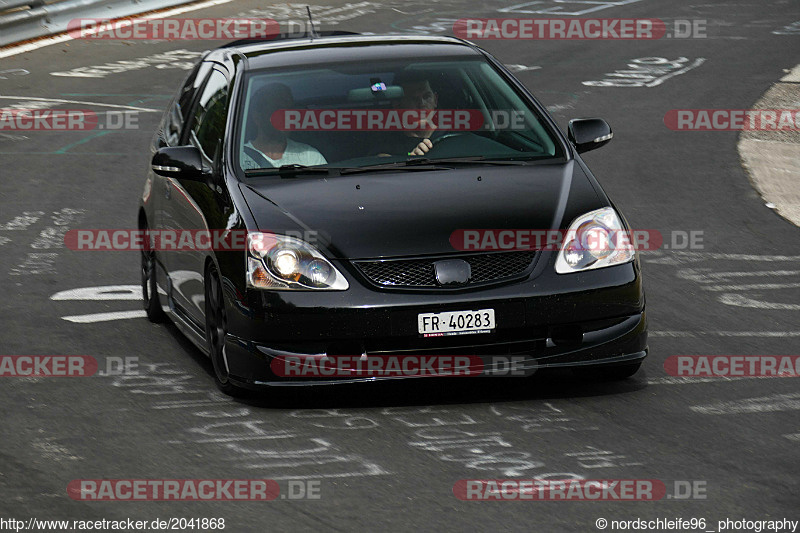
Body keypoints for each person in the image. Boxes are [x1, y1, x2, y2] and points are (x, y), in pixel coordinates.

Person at [241, 83, 327, 169]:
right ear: (257, 118)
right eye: (278, 110)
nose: (286, 116)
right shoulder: (239, 158)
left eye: (289, 110)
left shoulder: (310, 157)